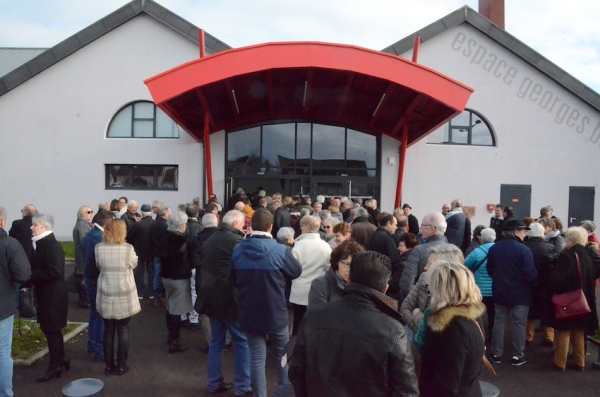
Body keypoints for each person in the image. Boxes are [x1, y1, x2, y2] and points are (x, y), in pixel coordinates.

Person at [289, 251, 419, 397]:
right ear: (384, 289)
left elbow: (297, 371)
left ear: (349, 279)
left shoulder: (314, 316)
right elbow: (406, 392)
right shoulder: (394, 331)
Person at [230, 209, 302, 397]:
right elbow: (295, 272)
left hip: (249, 311)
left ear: (251, 225)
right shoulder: (280, 250)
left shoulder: (238, 249)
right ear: (271, 227)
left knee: (256, 358)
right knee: (282, 357)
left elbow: (232, 279)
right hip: (276, 312)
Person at [196, 210, 251, 396]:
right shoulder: (236, 241)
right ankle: (243, 387)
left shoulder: (210, 238)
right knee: (242, 342)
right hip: (230, 299)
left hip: (211, 298)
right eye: (243, 223)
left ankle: (213, 383)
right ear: (236, 224)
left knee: (217, 342)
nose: (244, 226)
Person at [415, 260, 486, 397]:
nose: (428, 290)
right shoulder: (471, 316)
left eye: (429, 285)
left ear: (441, 289)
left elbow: (445, 384)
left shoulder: (451, 328)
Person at [542, 227, 600, 371]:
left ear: (571, 240)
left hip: (567, 299)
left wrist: (549, 293)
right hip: (583, 300)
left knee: (564, 331)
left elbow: (557, 278)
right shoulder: (587, 255)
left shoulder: (567, 256)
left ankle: (560, 363)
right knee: (579, 331)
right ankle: (580, 362)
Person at [487, 219, 537, 366]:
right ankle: (517, 355)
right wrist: (532, 285)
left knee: (499, 323)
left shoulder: (494, 248)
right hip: (520, 293)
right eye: (523, 232)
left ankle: (496, 353)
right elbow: (530, 274)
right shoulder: (524, 250)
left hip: (500, 291)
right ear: (516, 232)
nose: (524, 235)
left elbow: (491, 269)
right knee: (519, 325)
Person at [95, 219, 141, 375]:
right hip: (124, 292)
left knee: (108, 331)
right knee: (123, 330)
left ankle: (109, 366)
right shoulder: (128, 249)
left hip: (106, 292)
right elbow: (134, 264)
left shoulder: (99, 248)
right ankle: (121, 366)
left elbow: (98, 266)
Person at [29, 213, 69, 382]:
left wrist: (32, 275)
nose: (31, 227)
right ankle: (62, 359)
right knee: (52, 330)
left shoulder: (51, 245)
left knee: (52, 331)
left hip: (53, 297)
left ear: (45, 227)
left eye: (35, 225)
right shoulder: (42, 244)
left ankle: (54, 367)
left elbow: (55, 271)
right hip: (48, 295)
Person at [0, 206, 31, 397]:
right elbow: (23, 274)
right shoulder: (9, 244)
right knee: (2, 352)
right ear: (2, 221)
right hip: (2, 306)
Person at [401, 244, 464, 335]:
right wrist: (421, 332)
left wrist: (417, 315)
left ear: (446, 269)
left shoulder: (456, 294)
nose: (425, 267)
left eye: (431, 264)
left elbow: (437, 330)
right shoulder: (424, 278)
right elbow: (405, 308)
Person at [290, 215, 332, 336]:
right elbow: (329, 269)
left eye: (302, 226)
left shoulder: (298, 245)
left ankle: (295, 348)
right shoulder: (325, 246)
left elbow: (293, 268)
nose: (301, 228)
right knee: (317, 323)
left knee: (298, 321)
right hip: (319, 290)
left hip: (299, 289)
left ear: (307, 228)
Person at [159, 212, 194, 353]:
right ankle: (174, 341)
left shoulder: (164, 237)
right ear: (181, 226)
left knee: (170, 306)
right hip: (179, 278)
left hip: (165, 276)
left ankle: (171, 337)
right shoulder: (184, 241)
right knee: (176, 310)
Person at [83, 210, 114, 363]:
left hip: (89, 279)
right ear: (107, 223)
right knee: (101, 316)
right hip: (97, 281)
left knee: (94, 314)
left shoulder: (89, 234)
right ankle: (100, 350)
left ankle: (92, 344)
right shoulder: (100, 238)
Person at [399, 212, 447, 302]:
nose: (420, 228)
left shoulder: (418, 251)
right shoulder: (456, 252)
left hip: (422, 307)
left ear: (432, 228)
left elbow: (406, 284)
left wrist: (409, 307)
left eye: (423, 225)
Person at [523, 223, 557, 346]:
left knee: (529, 312)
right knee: (547, 310)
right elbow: (554, 265)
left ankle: (528, 336)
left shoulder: (524, 246)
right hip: (545, 284)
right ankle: (549, 337)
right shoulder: (549, 247)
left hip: (528, 284)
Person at [308, 242, 365, 309]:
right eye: (347, 264)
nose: (349, 270)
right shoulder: (321, 284)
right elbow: (316, 314)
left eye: (354, 266)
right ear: (337, 262)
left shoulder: (363, 286)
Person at [464, 227, 496, 341]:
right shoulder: (499, 250)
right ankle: (493, 336)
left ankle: (480, 336)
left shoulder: (477, 251)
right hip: (495, 289)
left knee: (478, 314)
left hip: (480, 289)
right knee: (494, 315)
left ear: (482, 239)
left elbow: (465, 264)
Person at [127, 204, 155, 300]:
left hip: (139, 252)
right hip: (152, 252)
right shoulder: (154, 223)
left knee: (139, 273)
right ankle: (152, 293)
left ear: (142, 213)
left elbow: (129, 237)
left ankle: (140, 293)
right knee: (152, 273)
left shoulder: (138, 224)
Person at [150, 206, 171, 306]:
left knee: (156, 276)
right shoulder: (167, 225)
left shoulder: (153, 224)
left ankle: (156, 298)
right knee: (165, 275)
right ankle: (164, 297)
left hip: (156, 253)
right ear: (166, 214)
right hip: (165, 254)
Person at [73, 205, 93, 308]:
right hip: (83, 257)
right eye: (88, 212)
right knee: (83, 279)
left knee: (83, 278)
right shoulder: (82, 225)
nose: (91, 214)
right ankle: (83, 300)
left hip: (82, 256)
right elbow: (84, 241)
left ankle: (84, 299)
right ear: (82, 213)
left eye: (91, 211)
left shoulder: (84, 224)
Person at [391, 232, 420, 301]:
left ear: (409, 247)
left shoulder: (403, 264)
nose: (398, 248)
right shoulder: (415, 259)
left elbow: (393, 284)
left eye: (401, 246)